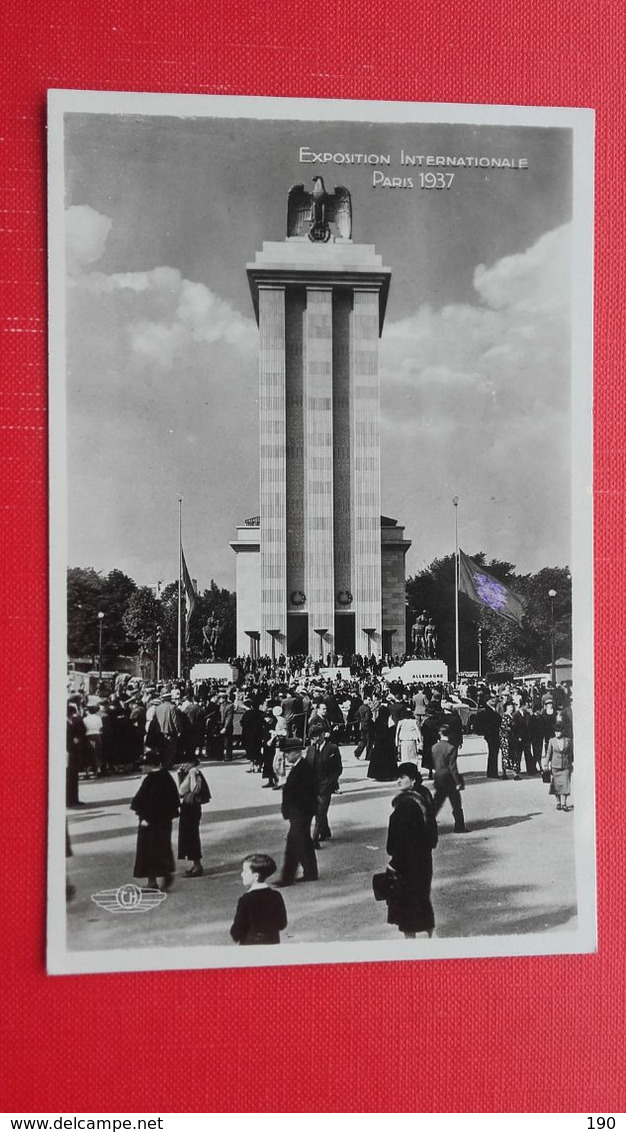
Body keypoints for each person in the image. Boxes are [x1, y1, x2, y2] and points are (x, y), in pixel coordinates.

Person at [385, 762, 438, 938]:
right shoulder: (424, 795)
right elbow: (431, 832)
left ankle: (412, 950)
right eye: (397, 777)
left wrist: (394, 863)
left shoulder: (406, 804)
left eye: (402, 778)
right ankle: (431, 938)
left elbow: (404, 839)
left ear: (413, 780)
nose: (398, 781)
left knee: (407, 912)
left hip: (408, 864)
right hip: (424, 860)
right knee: (422, 901)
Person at [130, 753, 180, 890]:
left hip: (153, 822)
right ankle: (156, 878)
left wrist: (146, 817)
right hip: (160, 821)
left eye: (144, 764)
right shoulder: (164, 777)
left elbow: (152, 802)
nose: (141, 767)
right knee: (156, 850)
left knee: (152, 850)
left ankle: (159, 878)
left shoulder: (154, 779)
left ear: (151, 765)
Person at [274, 745, 319, 887]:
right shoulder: (299, 767)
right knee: (305, 842)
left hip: (301, 812)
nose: (287, 755)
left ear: (297, 753)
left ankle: (287, 877)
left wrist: (296, 812)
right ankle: (311, 872)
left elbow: (304, 793)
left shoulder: (304, 768)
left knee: (293, 845)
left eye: (289, 752)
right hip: (301, 812)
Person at [230, 854, 288, 945]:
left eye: (245, 871)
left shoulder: (246, 899)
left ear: (256, 876)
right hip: (272, 944)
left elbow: (236, 932)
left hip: (251, 947)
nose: (242, 874)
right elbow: (282, 924)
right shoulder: (276, 895)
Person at [305, 718, 343, 847]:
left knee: (320, 811)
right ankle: (325, 831)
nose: (314, 739)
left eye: (316, 736)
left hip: (326, 785)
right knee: (317, 811)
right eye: (312, 737)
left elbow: (338, 768)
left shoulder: (332, 748)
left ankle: (314, 840)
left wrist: (330, 782)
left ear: (322, 735)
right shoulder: (310, 749)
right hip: (312, 785)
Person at [177, 759, 210, 877]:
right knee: (188, 836)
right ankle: (195, 864)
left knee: (192, 836)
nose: (183, 765)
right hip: (187, 807)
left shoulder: (195, 773)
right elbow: (181, 792)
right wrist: (180, 775)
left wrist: (192, 774)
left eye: (186, 762)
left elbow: (195, 789)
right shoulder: (188, 774)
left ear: (192, 763)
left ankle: (197, 866)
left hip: (192, 808)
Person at [431, 723, 467, 832]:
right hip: (449, 778)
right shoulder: (451, 748)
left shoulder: (434, 747)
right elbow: (453, 768)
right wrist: (458, 782)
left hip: (439, 777)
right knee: (456, 803)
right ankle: (459, 826)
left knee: (436, 803)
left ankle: (427, 823)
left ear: (440, 733)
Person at [546, 725, 573, 811]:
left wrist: (572, 762)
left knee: (565, 784)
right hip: (555, 766)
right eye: (556, 731)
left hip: (565, 765)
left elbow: (571, 753)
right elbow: (548, 753)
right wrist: (545, 764)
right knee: (556, 785)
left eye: (559, 731)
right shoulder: (552, 741)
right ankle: (558, 802)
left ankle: (564, 803)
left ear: (562, 732)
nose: (557, 733)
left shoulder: (568, 741)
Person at [473, 696, 502, 778]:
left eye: (493, 699)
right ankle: (493, 773)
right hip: (491, 734)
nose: (493, 700)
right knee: (493, 753)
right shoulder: (486, 711)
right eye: (491, 699)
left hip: (494, 734)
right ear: (487, 701)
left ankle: (492, 772)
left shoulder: (492, 709)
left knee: (494, 753)